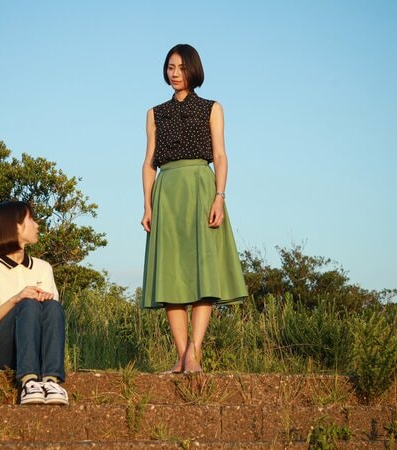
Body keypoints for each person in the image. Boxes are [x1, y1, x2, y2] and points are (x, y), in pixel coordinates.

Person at [141, 44, 248, 374]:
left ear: (193, 70)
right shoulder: (155, 113)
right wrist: (147, 205)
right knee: (170, 275)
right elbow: (148, 164)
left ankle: (194, 354)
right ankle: (181, 354)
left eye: (181, 67)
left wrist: (220, 196)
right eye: (170, 67)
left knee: (204, 272)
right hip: (168, 193)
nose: (175, 73)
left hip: (202, 188)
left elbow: (221, 155)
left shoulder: (212, 108)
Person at [0, 200, 69, 405]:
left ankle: (51, 380)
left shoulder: (43, 268)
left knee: (52, 306)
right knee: (27, 303)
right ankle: (29, 382)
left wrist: (43, 299)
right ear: (15, 226)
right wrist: (16, 299)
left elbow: (50, 317)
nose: (37, 225)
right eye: (31, 219)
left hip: (35, 346)